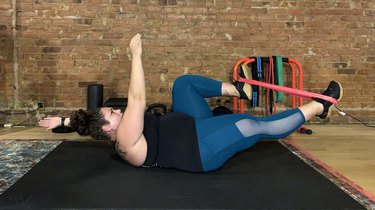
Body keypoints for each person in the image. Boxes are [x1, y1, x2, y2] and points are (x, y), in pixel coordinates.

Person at [38, 33, 342, 172]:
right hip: (199, 149)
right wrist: (137, 57)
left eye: (112, 108)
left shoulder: (108, 129)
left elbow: (91, 120)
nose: (116, 110)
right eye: (112, 113)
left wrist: (63, 121)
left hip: (190, 125)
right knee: (250, 125)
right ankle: (321, 105)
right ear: (108, 130)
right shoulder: (125, 141)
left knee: (184, 85)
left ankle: (239, 90)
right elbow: (137, 97)